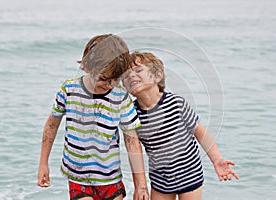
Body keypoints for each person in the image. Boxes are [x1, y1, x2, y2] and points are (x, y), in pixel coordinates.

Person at [37, 34, 149, 200]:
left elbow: (132, 141)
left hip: (111, 179)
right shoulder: (69, 90)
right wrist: (43, 163)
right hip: (78, 178)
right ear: (88, 66)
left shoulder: (120, 97)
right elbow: (51, 126)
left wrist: (141, 185)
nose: (109, 85)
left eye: (115, 80)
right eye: (104, 79)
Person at [122, 51, 239, 200]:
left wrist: (216, 159)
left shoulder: (177, 104)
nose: (131, 76)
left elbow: (200, 133)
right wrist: (141, 186)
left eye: (138, 70)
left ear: (157, 75)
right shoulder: (131, 115)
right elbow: (135, 152)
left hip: (190, 175)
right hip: (160, 180)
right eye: (125, 76)